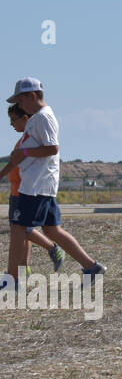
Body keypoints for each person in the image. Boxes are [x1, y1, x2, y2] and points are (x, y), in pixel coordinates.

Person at [2, 78, 104, 288]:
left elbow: (52, 148)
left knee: (19, 227)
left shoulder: (42, 117)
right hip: (41, 184)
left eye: (21, 101)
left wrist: (24, 152)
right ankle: (91, 267)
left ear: (32, 96)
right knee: (51, 230)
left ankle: (11, 280)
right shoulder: (38, 118)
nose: (20, 106)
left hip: (35, 185)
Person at [0, 103, 63, 276]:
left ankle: (51, 248)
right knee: (21, 229)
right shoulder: (23, 141)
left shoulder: (29, 142)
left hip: (24, 190)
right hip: (16, 190)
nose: (12, 124)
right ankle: (24, 267)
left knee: (21, 229)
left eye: (14, 119)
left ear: (25, 119)